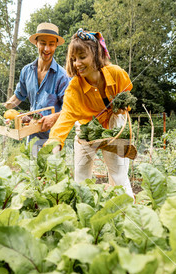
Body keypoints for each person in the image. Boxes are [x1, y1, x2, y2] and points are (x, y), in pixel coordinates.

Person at [47, 28, 134, 199]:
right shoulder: (74, 88)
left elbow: (127, 94)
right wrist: (54, 147)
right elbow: (65, 119)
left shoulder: (116, 73)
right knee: (81, 172)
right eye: (73, 59)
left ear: (95, 54)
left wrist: (121, 108)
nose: (77, 63)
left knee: (118, 172)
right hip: (87, 129)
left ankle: (127, 210)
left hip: (113, 125)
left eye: (82, 57)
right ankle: (84, 207)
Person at [4, 22, 70, 156]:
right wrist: (3, 109)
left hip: (53, 138)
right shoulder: (26, 71)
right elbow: (18, 96)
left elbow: (69, 109)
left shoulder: (62, 76)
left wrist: (54, 117)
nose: (47, 48)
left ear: (56, 45)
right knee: (31, 173)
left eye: (51, 44)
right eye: (43, 43)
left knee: (51, 174)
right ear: (36, 43)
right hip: (32, 134)